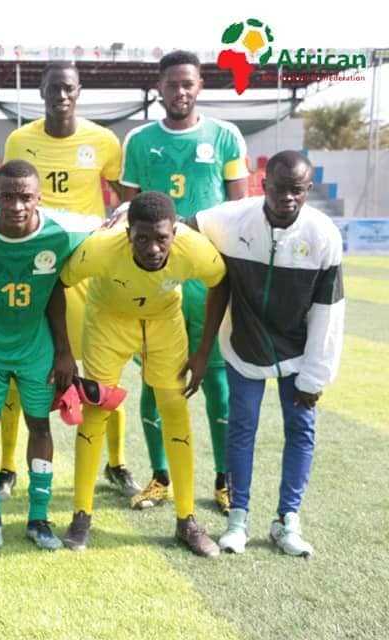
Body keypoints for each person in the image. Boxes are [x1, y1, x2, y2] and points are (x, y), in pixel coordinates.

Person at [185, 151, 344, 557]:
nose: (287, 197)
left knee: (301, 429)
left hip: (299, 350)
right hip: (245, 344)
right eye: (279, 188)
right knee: (242, 428)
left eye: (297, 190)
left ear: (308, 189)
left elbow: (329, 311)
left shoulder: (324, 235)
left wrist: (315, 375)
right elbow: (185, 225)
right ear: (263, 184)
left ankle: (287, 520)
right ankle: (237, 519)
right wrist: (127, 213)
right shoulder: (233, 218)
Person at [0, 160, 96, 550]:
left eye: (25, 197)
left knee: (40, 426)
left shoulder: (64, 231)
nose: (16, 206)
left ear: (39, 198)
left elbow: (111, 225)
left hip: (35, 348)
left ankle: (38, 520)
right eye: (7, 196)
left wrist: (64, 351)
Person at [60, 191, 224, 558]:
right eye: (142, 238)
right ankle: (81, 516)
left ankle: (187, 520)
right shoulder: (101, 248)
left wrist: (203, 351)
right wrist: (63, 351)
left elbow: (220, 281)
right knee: (96, 411)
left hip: (164, 322)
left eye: (161, 238)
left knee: (175, 409)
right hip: (109, 320)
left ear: (175, 232)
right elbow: (61, 281)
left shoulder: (193, 249)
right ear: (127, 232)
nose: (152, 248)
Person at [120, 50, 248, 514]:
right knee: (156, 382)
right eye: (172, 84)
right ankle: (159, 477)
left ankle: (224, 480)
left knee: (216, 380)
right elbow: (126, 213)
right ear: (160, 87)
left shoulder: (225, 136)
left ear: (199, 87)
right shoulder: (139, 140)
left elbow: (239, 211)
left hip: (207, 279)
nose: (180, 91)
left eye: (188, 83)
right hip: (155, 280)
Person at [0, 60, 135, 500]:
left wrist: (120, 219)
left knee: (100, 370)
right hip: (33, 264)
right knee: (15, 370)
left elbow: (127, 198)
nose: (61, 95)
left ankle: (117, 463)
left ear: (79, 92)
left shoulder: (103, 140)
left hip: (85, 267)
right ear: (41, 91)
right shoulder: (20, 140)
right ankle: (6, 468)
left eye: (69, 88)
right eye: (54, 88)